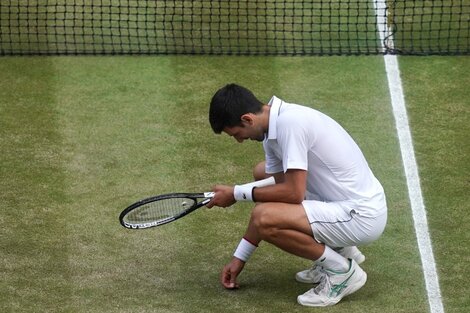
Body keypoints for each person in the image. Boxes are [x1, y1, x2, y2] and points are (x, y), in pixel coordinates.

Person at [206, 83, 387, 307]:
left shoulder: (290, 125)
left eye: (237, 134)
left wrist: (236, 193)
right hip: (345, 201)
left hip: (362, 215)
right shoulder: (273, 126)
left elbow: (292, 194)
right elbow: (277, 188)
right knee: (261, 173)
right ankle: (341, 249)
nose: (239, 140)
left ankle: (342, 271)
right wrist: (239, 258)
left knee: (265, 217)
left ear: (247, 119)